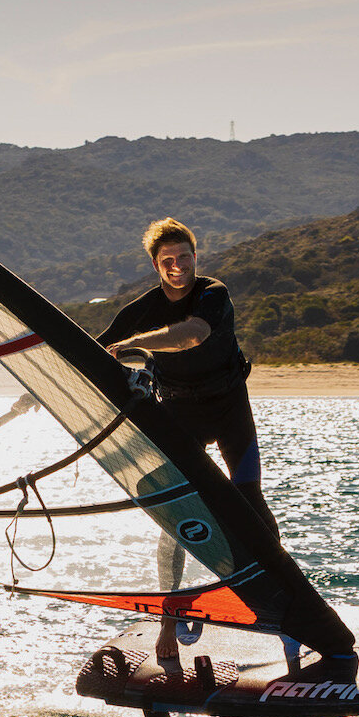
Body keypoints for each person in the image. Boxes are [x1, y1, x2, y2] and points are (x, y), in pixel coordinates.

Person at [96, 220, 273, 657]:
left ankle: (281, 595)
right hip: (180, 413)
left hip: (230, 408)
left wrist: (135, 345)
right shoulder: (143, 307)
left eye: (184, 257)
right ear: (156, 265)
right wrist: (34, 390)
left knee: (250, 499)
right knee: (178, 517)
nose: (178, 267)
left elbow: (192, 334)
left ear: (196, 256)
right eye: (167, 261)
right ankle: (168, 624)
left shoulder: (214, 293)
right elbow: (92, 350)